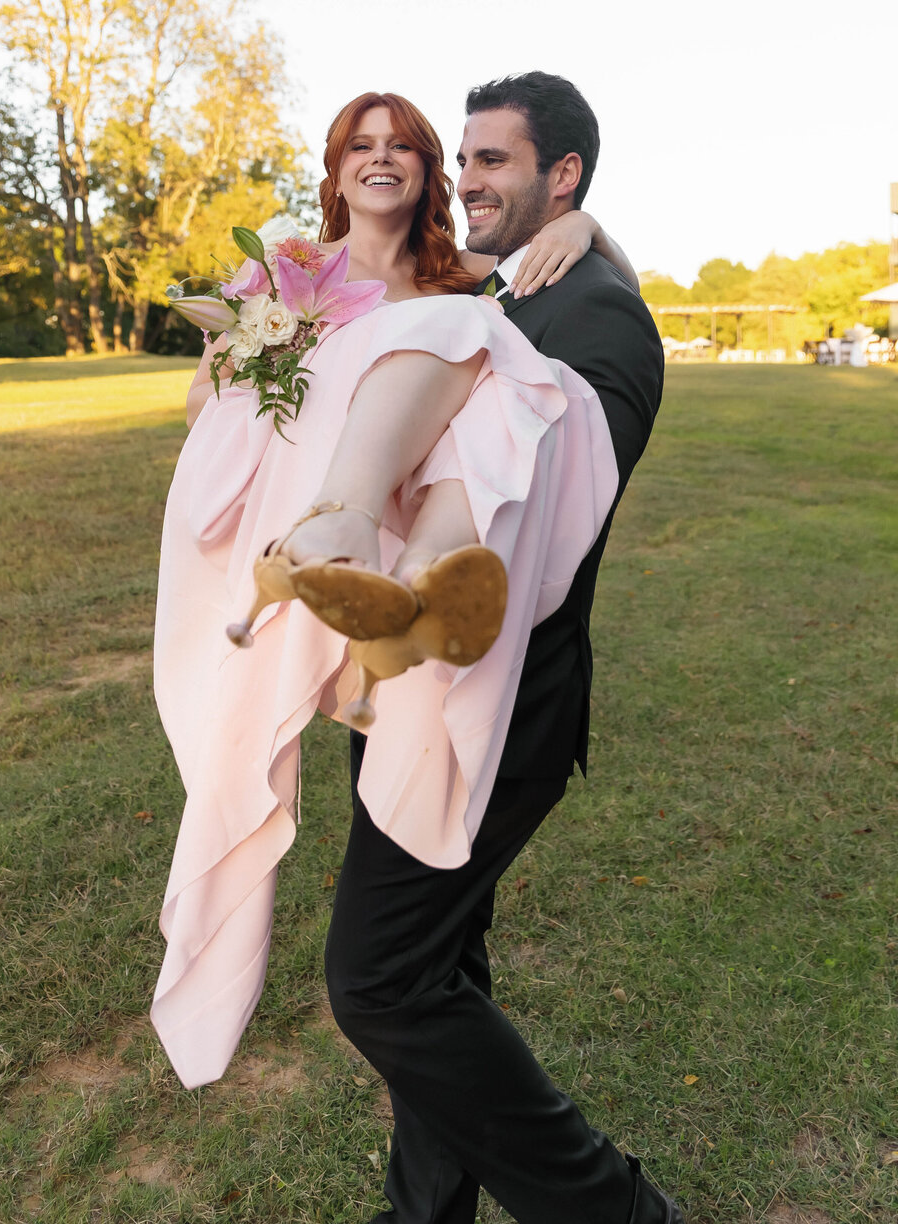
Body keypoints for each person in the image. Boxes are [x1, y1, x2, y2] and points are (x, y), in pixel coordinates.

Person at [152, 90, 625, 1082]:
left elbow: (576, 298)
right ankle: (373, 568)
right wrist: (261, 347)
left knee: (486, 355)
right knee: (469, 347)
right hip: (313, 517)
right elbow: (201, 402)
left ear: (427, 174)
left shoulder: (466, 281)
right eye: (360, 145)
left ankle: (422, 591)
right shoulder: (286, 274)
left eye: (404, 147)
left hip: (402, 555)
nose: (382, 159)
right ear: (334, 168)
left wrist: (584, 221)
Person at [324, 73, 677, 1224]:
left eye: (495, 163)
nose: (466, 180)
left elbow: (546, 497)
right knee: (437, 971)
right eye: (463, 160)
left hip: (496, 710)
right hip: (407, 694)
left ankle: (613, 1211)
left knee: (378, 983)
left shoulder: (596, 317)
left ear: (559, 175)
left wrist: (593, 241)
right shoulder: (507, 292)